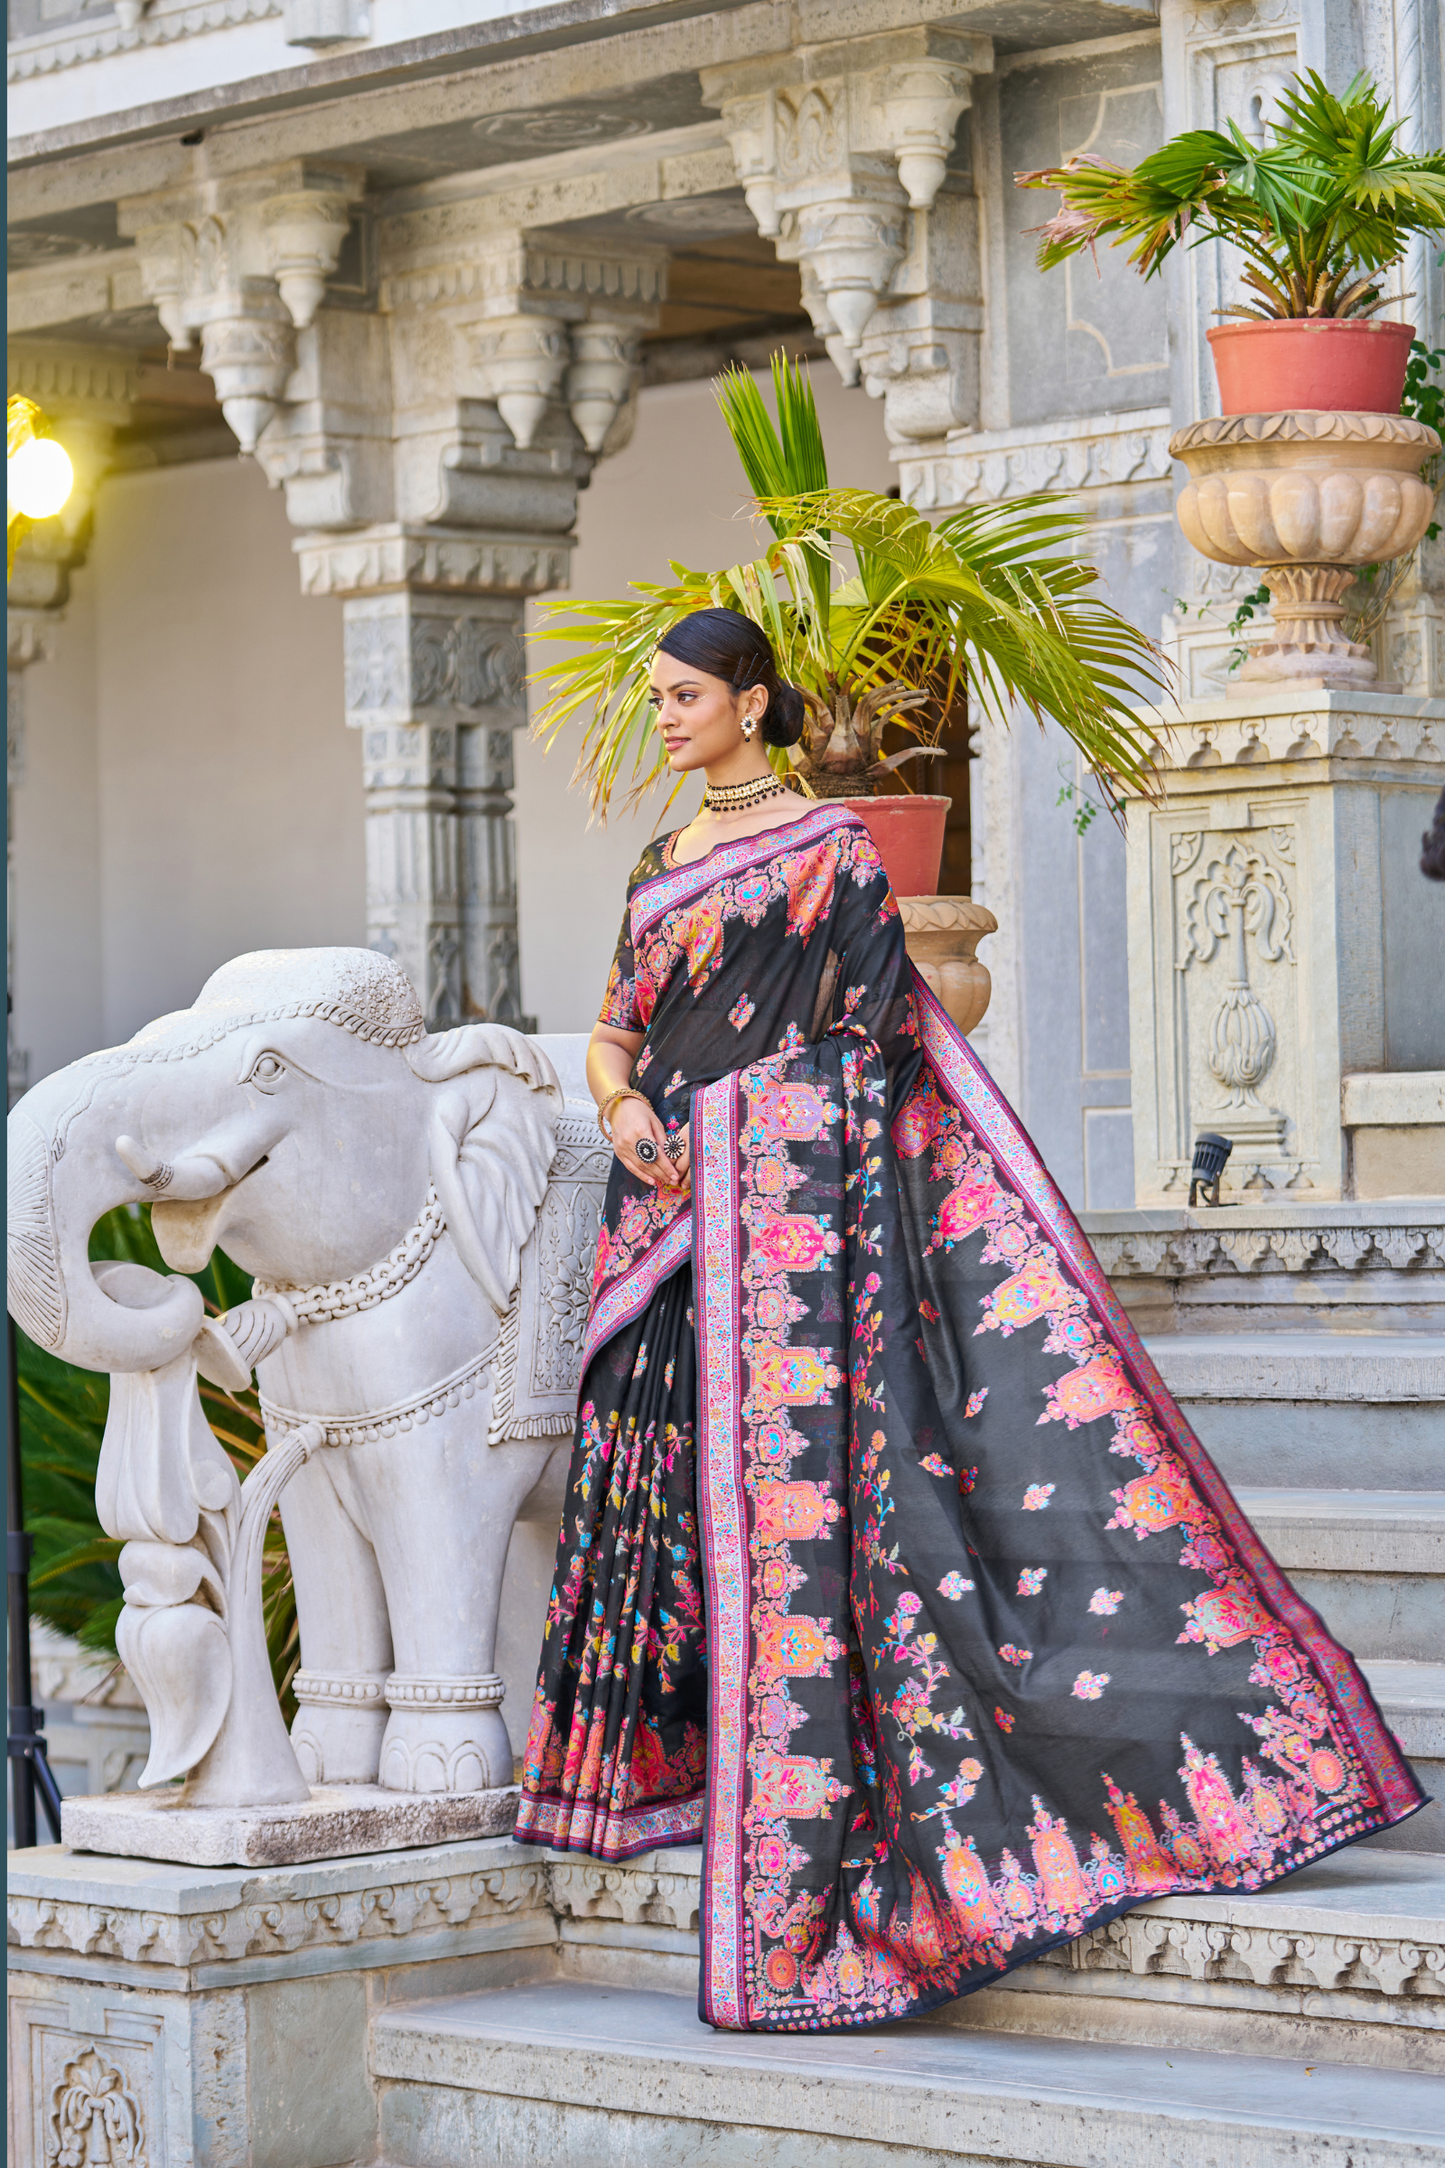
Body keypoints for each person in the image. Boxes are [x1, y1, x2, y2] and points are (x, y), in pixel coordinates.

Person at [515, 605, 1424, 2034]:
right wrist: (621, 1102)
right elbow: (617, 1024)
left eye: (685, 695)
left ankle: (814, 1787)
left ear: (751, 702)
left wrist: (737, 1126)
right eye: (659, 697)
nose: (666, 717)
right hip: (669, 1215)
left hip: (780, 1218)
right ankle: (664, 1774)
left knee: (799, 1513)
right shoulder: (659, 861)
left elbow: (874, 1039)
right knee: (657, 1478)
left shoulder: (830, 852)